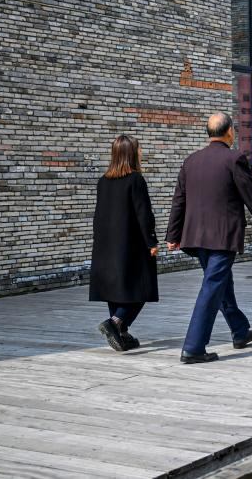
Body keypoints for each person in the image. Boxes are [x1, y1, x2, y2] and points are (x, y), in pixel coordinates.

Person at [166, 112, 252, 364]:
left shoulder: (191, 161)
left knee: (221, 282)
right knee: (212, 286)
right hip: (222, 235)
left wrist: (173, 235)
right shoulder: (234, 158)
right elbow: (251, 196)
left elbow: (179, 200)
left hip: (195, 236)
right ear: (230, 132)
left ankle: (240, 331)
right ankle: (194, 347)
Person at [90, 135, 159, 352]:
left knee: (116, 289)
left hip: (106, 243)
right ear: (130, 154)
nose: (141, 153)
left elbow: (98, 214)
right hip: (131, 244)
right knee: (143, 286)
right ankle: (115, 322)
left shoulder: (103, 181)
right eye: (138, 150)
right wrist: (151, 241)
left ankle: (122, 333)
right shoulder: (136, 179)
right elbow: (143, 214)